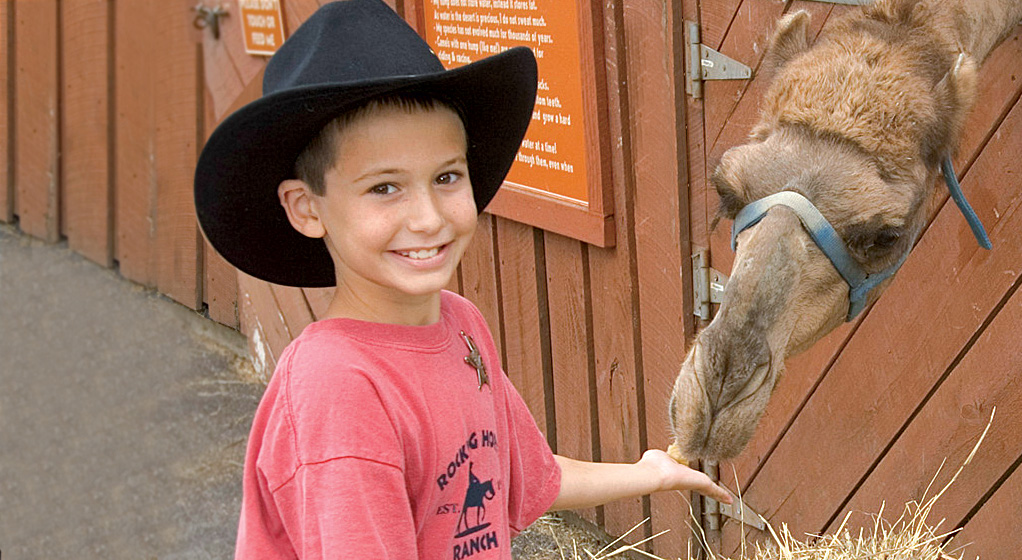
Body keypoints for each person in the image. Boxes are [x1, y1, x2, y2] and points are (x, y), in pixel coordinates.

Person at [192, 1, 731, 558]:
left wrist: (651, 473)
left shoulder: (459, 321)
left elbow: (525, 475)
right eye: (384, 188)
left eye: (446, 176)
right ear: (307, 208)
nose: (428, 217)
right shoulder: (339, 389)